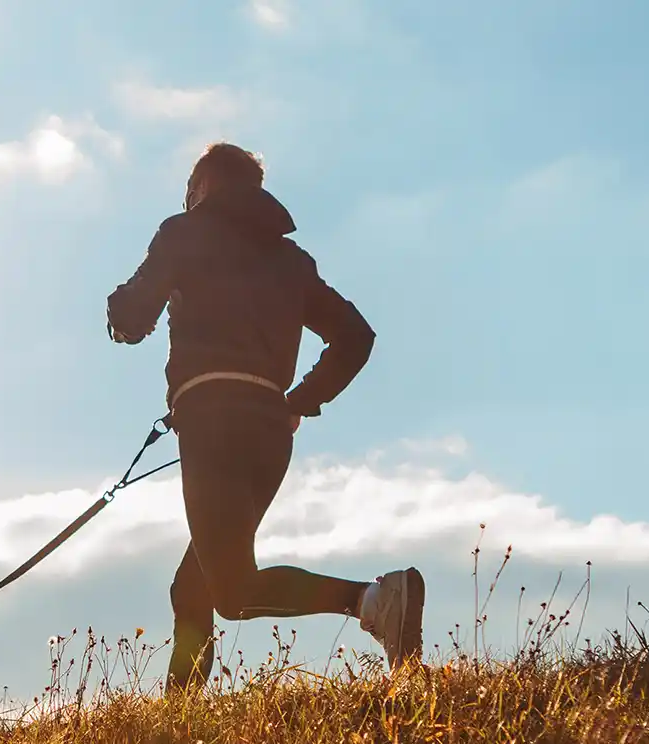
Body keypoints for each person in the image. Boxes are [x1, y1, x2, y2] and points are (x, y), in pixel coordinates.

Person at [106, 142, 425, 689]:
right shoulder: (290, 260)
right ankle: (180, 718)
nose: (186, 202)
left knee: (231, 591)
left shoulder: (184, 233)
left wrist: (120, 310)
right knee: (194, 586)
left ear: (203, 186)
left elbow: (132, 318)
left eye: (189, 192)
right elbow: (356, 336)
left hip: (212, 423)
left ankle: (372, 599)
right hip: (270, 431)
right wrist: (299, 401)